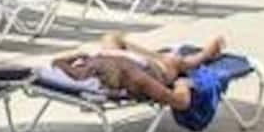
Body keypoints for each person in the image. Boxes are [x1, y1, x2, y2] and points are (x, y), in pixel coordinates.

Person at [49, 32, 227, 110]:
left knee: (111, 38)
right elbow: (181, 102)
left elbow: (56, 63)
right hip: (156, 70)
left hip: (123, 61)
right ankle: (204, 55)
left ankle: (161, 55)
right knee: (173, 61)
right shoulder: (138, 79)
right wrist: (182, 85)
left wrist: (75, 56)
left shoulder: (86, 69)